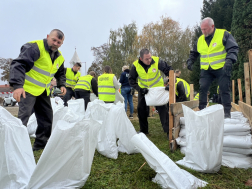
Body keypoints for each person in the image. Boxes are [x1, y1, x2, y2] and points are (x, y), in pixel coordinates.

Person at [9, 29, 66, 151]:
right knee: (23, 118)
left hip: (43, 91)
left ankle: (40, 145)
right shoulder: (34, 48)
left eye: (59, 42)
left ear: (62, 43)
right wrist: (18, 86)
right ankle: (15, 147)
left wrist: (62, 84)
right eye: (54, 40)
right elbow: (18, 65)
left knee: (46, 118)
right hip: (27, 89)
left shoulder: (59, 57)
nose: (55, 43)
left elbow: (61, 72)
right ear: (47, 37)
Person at [187, 17, 239, 118]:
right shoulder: (200, 40)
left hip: (222, 67)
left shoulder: (223, 34)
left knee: (224, 88)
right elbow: (194, 53)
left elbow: (233, 47)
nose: (203, 31)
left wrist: (229, 60)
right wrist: (190, 61)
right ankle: (202, 110)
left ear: (212, 26)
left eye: (205, 29)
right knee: (203, 87)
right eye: (202, 29)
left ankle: (227, 112)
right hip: (206, 69)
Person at [129, 49, 173, 135]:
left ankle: (168, 131)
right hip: (144, 90)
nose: (149, 60)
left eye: (150, 57)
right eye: (147, 59)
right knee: (141, 109)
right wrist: (140, 89)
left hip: (157, 89)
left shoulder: (157, 61)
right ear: (141, 59)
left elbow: (169, 70)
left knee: (162, 109)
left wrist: (169, 83)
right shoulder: (135, 65)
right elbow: (131, 80)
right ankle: (144, 130)